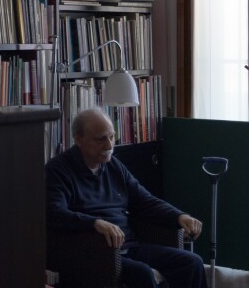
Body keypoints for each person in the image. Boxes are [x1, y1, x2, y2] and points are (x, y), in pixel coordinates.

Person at [46, 108, 207, 288]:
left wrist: (179, 216)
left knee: (192, 263)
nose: (109, 146)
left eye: (112, 137)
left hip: (130, 245)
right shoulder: (58, 170)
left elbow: (144, 200)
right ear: (78, 139)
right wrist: (95, 223)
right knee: (143, 274)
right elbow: (54, 213)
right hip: (94, 252)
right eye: (100, 139)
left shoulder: (113, 165)